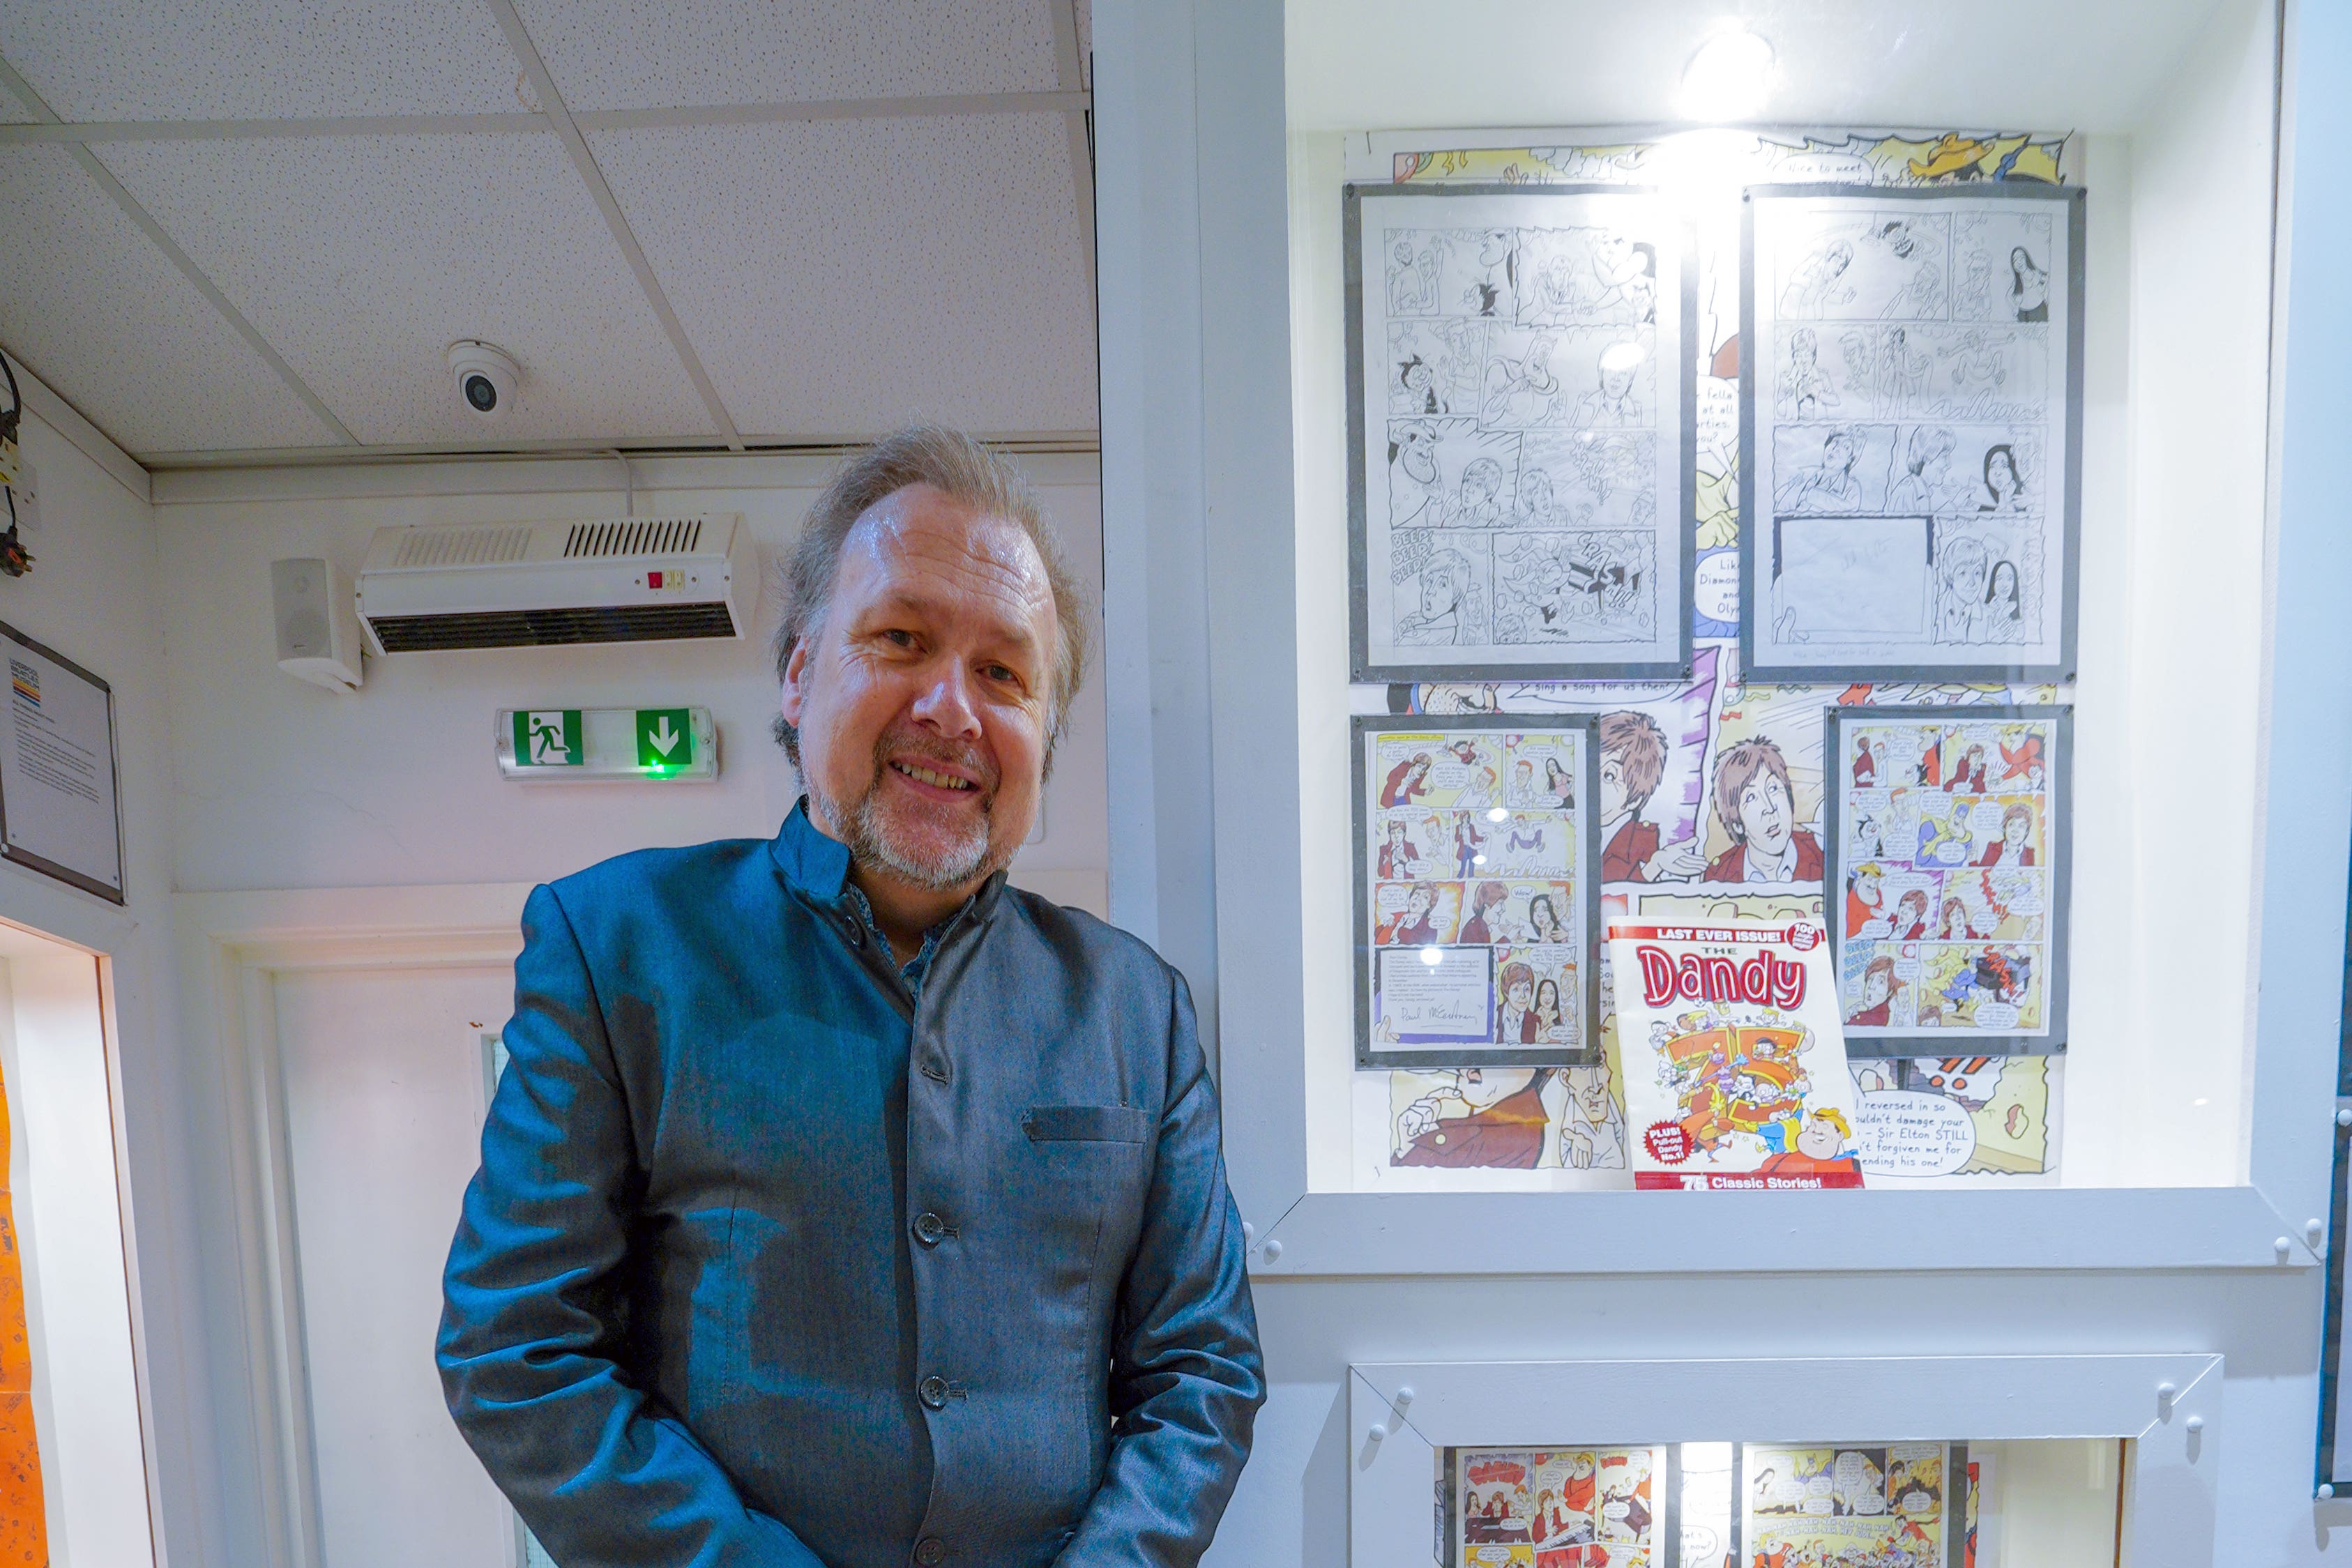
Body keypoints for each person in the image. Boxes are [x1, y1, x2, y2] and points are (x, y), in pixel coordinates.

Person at [438, 427, 1262, 1568]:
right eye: (900, 638)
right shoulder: (620, 944)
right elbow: (515, 1343)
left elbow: (1201, 1371)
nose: (952, 707)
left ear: (1044, 735)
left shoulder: (1136, 1007)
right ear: (798, 668)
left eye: (1004, 672)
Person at [1598, 710, 1704, 882]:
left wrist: (1654, 867)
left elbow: (1623, 891)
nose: (1595, 782)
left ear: (1635, 799)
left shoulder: (1642, 840)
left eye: (1609, 776)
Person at [1703, 738, 1826, 883]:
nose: (1769, 808)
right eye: (1751, 797)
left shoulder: (1822, 855)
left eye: (1773, 788)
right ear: (1738, 825)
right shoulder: (1719, 876)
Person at [1976, 801, 2037, 866]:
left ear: (2026, 832)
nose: (2015, 830)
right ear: (2005, 827)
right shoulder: (1992, 848)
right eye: (2011, 824)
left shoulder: (2029, 854)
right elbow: (1980, 874)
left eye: (2021, 826)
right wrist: (1972, 861)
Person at [1847, 954, 1899, 1027]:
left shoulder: (1876, 1019)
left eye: (1880, 982)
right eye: (1871, 979)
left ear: (1890, 992)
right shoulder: (1863, 1013)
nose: (1871, 987)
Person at [2009, 244, 2051, 321]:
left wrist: (2041, 287)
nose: (2019, 262)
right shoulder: (2016, 283)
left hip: (2039, 311)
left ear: (2027, 259)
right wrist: (2015, 306)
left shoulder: (2036, 274)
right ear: (2013, 266)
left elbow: (2049, 279)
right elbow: (2008, 297)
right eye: (2015, 260)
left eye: (2021, 258)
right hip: (2022, 314)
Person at [1462, 878, 1510, 943]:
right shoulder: (1474, 929)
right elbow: (1485, 952)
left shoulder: (1480, 926)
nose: (1503, 909)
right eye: (1500, 903)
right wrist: (1509, 938)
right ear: (1487, 905)